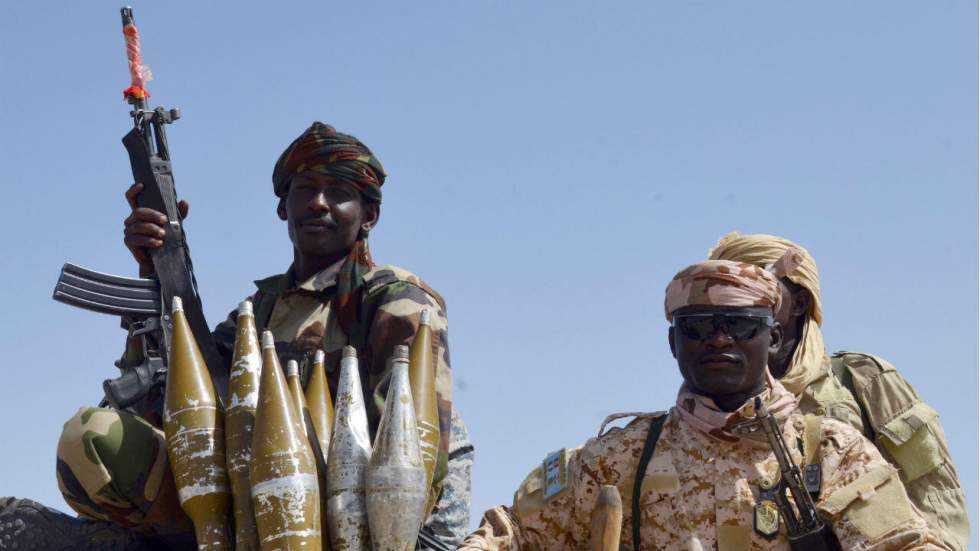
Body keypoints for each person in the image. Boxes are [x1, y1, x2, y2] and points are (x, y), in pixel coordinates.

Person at [27, 122, 472, 550]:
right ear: (283, 207)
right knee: (93, 436)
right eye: (304, 191)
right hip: (251, 501)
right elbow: (171, 410)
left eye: (338, 193)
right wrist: (158, 278)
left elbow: (409, 453)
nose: (318, 204)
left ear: (369, 214)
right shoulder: (259, 312)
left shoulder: (396, 300)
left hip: (366, 518)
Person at [460, 256, 947, 550]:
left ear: (773, 339)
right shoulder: (615, 461)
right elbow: (515, 535)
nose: (717, 340)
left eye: (738, 325)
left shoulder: (832, 454)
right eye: (696, 327)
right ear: (673, 344)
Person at [707, 232, 968, 551]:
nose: (737, 303)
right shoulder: (707, 408)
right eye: (724, 293)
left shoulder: (861, 380)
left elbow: (935, 493)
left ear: (800, 301)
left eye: (757, 287)